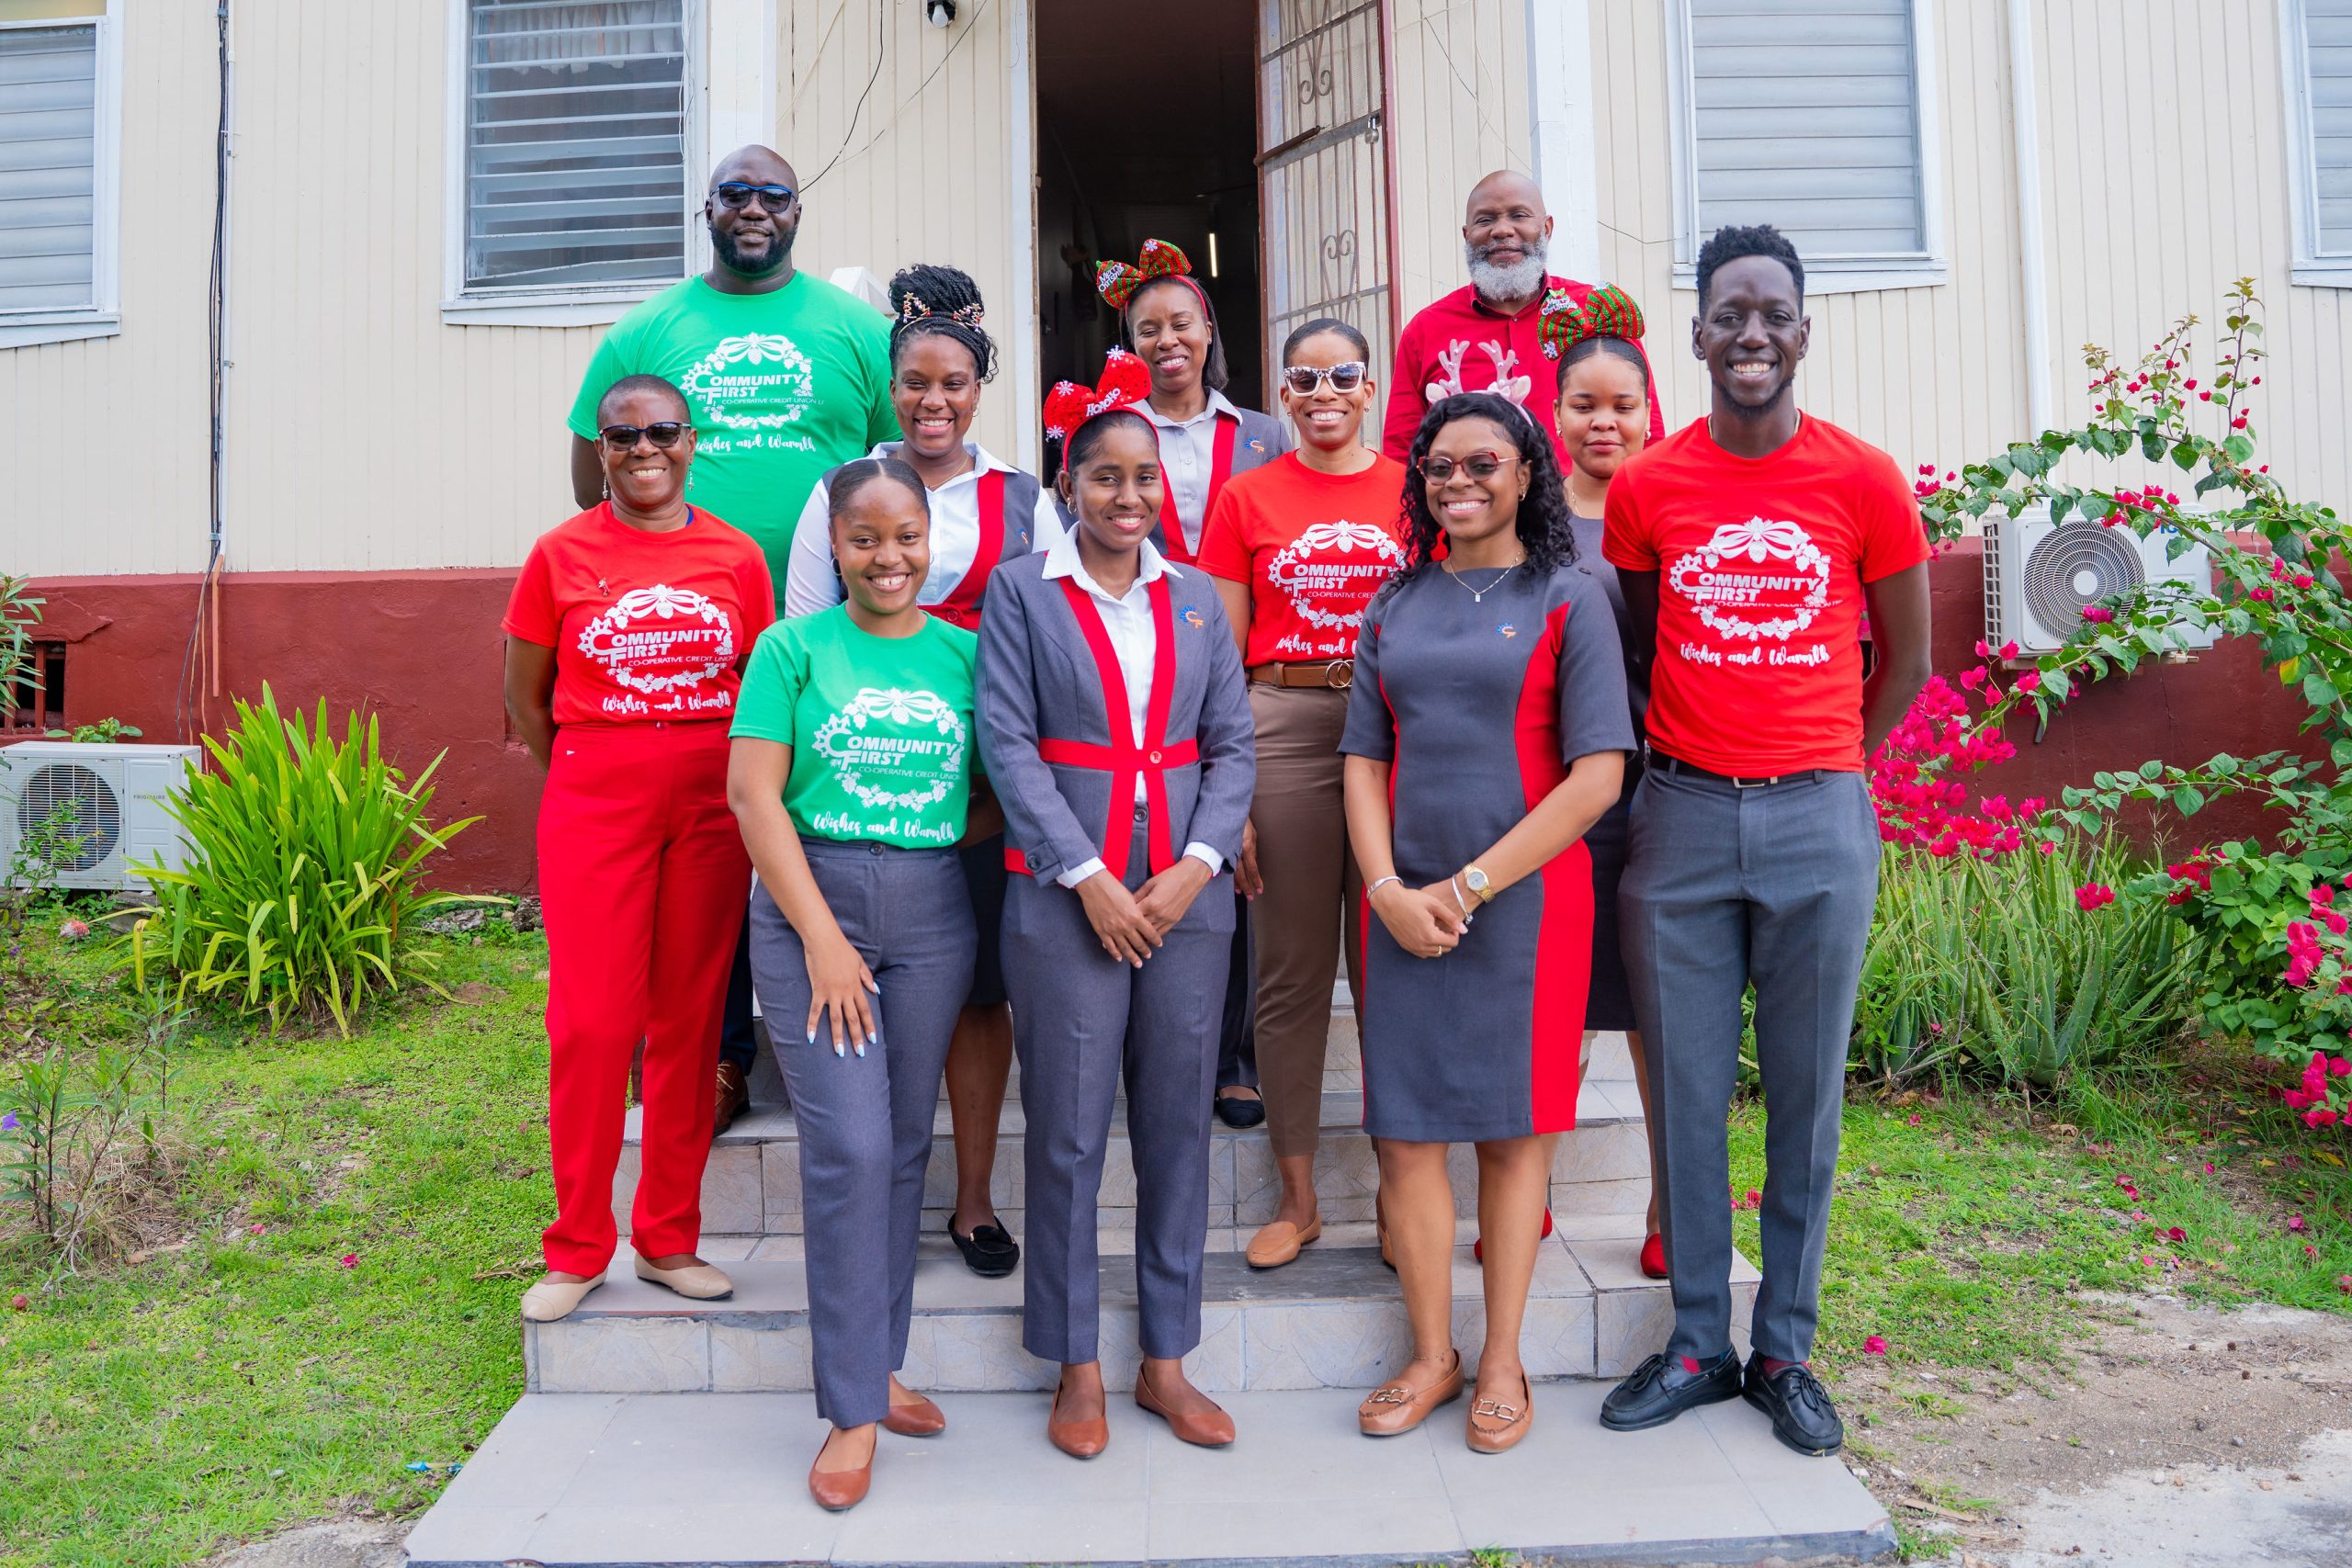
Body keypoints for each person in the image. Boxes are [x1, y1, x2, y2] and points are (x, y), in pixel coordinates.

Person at [1597, 225, 1931, 1458]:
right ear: (1696, 335)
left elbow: (1909, 659)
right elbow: (1641, 648)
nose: (1752, 333)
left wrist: (1830, 759)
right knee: (1687, 1093)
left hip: (1817, 816)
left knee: (1804, 1095)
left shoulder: (1863, 479)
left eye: (1773, 314)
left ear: (1802, 332)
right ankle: (1698, 1340)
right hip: (1681, 817)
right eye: (1729, 313)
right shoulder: (1648, 487)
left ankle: (1784, 1346)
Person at [562, 144, 899, 1140]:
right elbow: (590, 480)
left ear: (798, 211)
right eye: (736, 194)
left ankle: (852, 1025)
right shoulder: (647, 330)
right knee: (711, 850)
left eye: (774, 196)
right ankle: (717, 1059)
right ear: (707, 208)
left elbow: (894, 471)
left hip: (830, 626)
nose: (755, 209)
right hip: (691, 639)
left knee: (828, 819)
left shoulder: (855, 331)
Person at [1340, 391, 1634, 1452]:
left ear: (1525, 475)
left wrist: (1464, 890)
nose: (1455, 482)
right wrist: (1386, 890)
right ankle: (1433, 1355)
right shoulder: (1393, 602)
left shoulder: (1570, 596)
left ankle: (1501, 1358)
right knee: (1406, 1139)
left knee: (1515, 1135)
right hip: (1398, 910)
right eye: (1437, 467)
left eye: (1480, 464)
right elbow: (1361, 761)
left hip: (1526, 910)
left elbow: (1596, 778)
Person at [977, 351, 1255, 1458]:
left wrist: (1196, 866)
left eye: (1143, 476)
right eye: (1104, 476)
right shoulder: (1022, 591)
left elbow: (1231, 746)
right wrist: (1086, 876)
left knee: (1177, 1127)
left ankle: (1165, 1360)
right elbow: (1008, 743)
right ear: (1068, 484)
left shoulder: (1195, 599)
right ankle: (1076, 1363)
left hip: (1186, 899)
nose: (1126, 495)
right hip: (1066, 901)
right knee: (1067, 1132)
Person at [780, 264, 1060, 1280]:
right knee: (868, 992)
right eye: (914, 383)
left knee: (980, 994)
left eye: (953, 383)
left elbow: (1055, 635)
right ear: (890, 388)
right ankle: (877, 1193)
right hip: (870, 774)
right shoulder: (840, 491)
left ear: (980, 389)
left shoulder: (1024, 498)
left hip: (983, 784)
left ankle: (972, 1197)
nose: (932, 401)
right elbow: (803, 631)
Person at [729, 457, 996, 1512]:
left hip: (932, 913)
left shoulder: (968, 654)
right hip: (812, 909)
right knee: (850, 1147)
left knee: (903, 1145)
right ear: (833, 546)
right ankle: (849, 1409)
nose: (889, 558)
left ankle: (877, 1367)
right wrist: (825, 938)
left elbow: (1002, 787)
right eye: (865, 539)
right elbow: (753, 797)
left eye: (906, 538)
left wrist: (921, 840)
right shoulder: (790, 648)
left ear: (933, 542)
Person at [503, 374, 775, 1325]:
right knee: (590, 1024)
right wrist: (596, 767)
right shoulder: (560, 554)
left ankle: (666, 1237)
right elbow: (524, 697)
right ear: (601, 451)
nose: (644, 449)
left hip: (709, 798)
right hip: (596, 792)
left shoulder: (737, 556)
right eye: (623, 437)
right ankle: (578, 1246)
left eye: (662, 431)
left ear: (692, 440)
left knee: (689, 1020)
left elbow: (759, 684)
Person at [1195, 317, 1406, 1269]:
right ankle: (1298, 1196)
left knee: (1392, 967)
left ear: (1370, 387)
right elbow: (1220, 657)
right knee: (1289, 970)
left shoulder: (1412, 487)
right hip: (1282, 715)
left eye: (1343, 376)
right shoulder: (1246, 496)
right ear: (1280, 396)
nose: (1324, 394)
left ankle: (1403, 1193)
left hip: (1394, 725)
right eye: (1305, 380)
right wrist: (1229, 790)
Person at [1095, 237, 1288, 1128]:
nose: (1166, 341)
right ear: (1129, 344)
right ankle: (1152, 1045)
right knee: (1162, 841)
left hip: (1245, 663)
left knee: (1238, 856)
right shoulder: (1110, 434)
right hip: (1144, 666)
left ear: (1209, 331)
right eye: (1148, 329)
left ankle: (1235, 1057)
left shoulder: (1265, 436)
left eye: (1181, 324)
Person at [1541, 283, 1668, 1280]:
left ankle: (1671, 1204)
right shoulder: (1529, 527)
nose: (1603, 422)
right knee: (1555, 1008)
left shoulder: (1677, 514)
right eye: (1584, 404)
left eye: (1622, 404)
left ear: (1648, 411)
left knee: (1659, 1017)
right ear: (1555, 413)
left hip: (1665, 796)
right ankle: (1526, 1194)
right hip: (1551, 801)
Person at [1381, 170, 1662, 468]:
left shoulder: (1596, 312)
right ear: (1466, 235)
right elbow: (1401, 454)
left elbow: (1649, 435)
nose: (1502, 230)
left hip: (1584, 497)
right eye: (1485, 220)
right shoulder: (1425, 331)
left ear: (1547, 228)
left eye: (1518, 215)